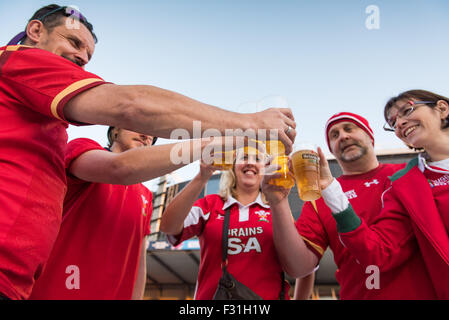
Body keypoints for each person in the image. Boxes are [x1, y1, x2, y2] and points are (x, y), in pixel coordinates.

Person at [0, 4, 296, 300]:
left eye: (88, 56)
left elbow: (139, 254)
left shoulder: (139, 192)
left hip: (18, 280)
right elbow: (130, 122)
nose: (81, 58)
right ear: (36, 31)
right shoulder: (23, 67)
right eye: (73, 41)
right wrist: (245, 125)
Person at [29, 128, 241, 300]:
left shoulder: (146, 195)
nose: (146, 134)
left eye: (151, 134)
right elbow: (120, 167)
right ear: (114, 131)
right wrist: (207, 144)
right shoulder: (83, 148)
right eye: (136, 127)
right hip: (59, 289)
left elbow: (139, 257)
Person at [262, 112, 436, 300]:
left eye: (349, 129)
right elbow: (298, 267)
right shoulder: (320, 197)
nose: (343, 136)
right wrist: (278, 202)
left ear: (370, 136)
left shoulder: (412, 173)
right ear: (331, 150)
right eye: (334, 136)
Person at [316, 90, 449, 299]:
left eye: (407, 110)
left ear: (442, 109)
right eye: (393, 122)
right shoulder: (406, 184)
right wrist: (332, 191)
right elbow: (377, 253)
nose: (400, 123)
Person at [159, 146, 289, 300]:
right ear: (232, 166)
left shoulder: (278, 211)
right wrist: (202, 176)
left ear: (266, 168)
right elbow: (168, 227)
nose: (251, 163)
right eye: (244, 157)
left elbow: (300, 263)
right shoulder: (210, 205)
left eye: (258, 159)